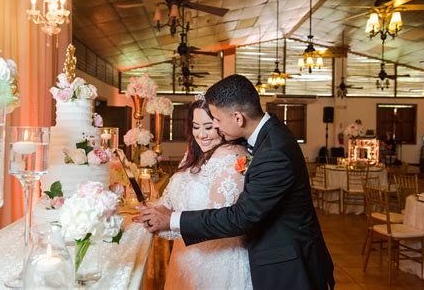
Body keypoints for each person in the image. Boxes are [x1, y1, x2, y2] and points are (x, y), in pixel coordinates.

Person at [134, 74, 335, 289]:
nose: (216, 128)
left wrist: (172, 220)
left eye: (217, 121)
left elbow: (241, 217)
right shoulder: (270, 135)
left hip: (289, 265)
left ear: (238, 118)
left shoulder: (273, 152)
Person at [154, 97, 252, 289]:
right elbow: (171, 196)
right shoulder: (193, 154)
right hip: (184, 258)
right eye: (195, 126)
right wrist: (156, 211)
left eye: (208, 127)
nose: (201, 135)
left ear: (221, 124)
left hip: (218, 263)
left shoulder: (234, 157)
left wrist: (168, 222)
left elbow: (220, 221)